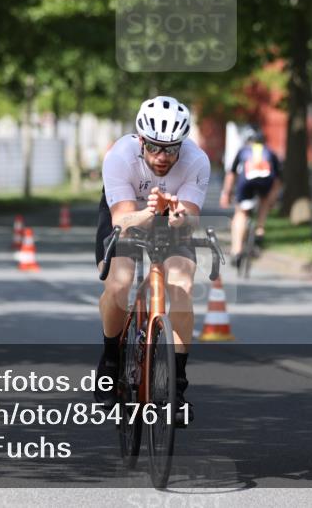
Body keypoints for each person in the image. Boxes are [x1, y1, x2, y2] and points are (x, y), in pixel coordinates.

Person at [94, 96, 210, 426]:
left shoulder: (197, 161)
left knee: (182, 285)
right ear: (141, 141)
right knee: (119, 283)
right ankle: (111, 361)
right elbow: (121, 220)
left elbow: (191, 218)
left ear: (182, 145)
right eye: (155, 148)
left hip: (169, 217)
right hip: (128, 214)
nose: (162, 157)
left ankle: (177, 387)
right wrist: (147, 212)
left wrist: (177, 216)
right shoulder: (119, 156)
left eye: (171, 149)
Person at [219, 126, 282, 263]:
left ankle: (236, 250)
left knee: (241, 212)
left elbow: (231, 174)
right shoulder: (270, 152)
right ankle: (260, 229)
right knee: (264, 200)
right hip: (266, 181)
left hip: (246, 181)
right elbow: (277, 179)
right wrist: (272, 198)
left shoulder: (243, 150)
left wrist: (226, 193)